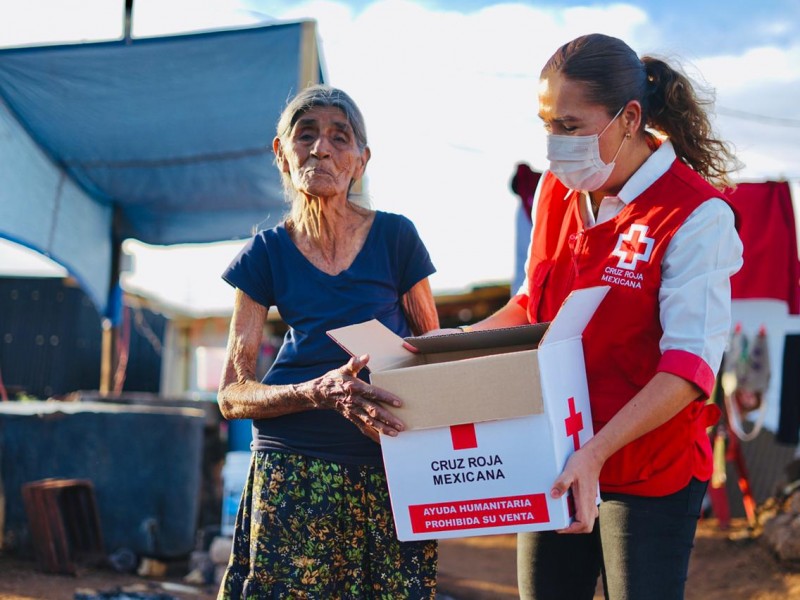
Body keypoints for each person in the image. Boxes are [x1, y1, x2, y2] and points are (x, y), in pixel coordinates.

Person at [461, 34, 743, 599]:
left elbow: (689, 369)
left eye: (570, 126)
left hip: (647, 468)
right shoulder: (555, 192)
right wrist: (454, 344)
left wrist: (597, 452)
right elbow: (532, 305)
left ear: (629, 118)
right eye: (547, 125)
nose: (554, 146)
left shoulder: (695, 215)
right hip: (557, 455)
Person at [216, 84, 439, 598]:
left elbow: (435, 355)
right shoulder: (265, 254)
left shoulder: (396, 238)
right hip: (292, 467)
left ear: (361, 160)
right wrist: (315, 391)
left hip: (385, 468)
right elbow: (232, 393)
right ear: (282, 152)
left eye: (340, 138)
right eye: (306, 135)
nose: (321, 149)